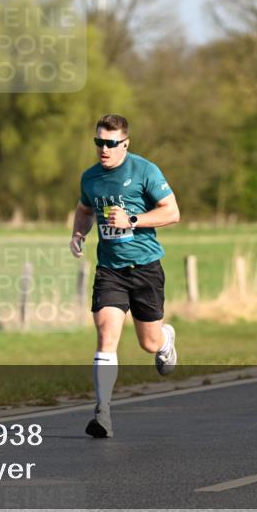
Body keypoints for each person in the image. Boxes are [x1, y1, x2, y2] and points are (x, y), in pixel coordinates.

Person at [69, 114, 180, 438]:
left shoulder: (144, 170)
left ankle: (165, 339)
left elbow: (172, 212)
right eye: (99, 142)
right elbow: (85, 209)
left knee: (148, 343)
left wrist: (132, 218)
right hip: (110, 270)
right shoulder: (90, 178)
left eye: (110, 143)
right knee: (106, 335)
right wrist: (78, 233)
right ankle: (102, 413)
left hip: (145, 267)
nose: (104, 149)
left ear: (125, 144)